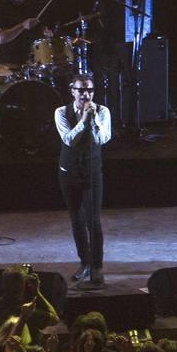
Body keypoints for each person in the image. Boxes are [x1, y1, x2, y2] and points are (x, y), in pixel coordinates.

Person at [55, 74, 111, 288]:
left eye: (89, 90)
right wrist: (83, 121)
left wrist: (93, 119)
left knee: (93, 222)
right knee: (76, 221)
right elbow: (68, 140)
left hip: (91, 173)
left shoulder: (103, 112)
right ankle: (84, 262)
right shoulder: (61, 112)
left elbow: (102, 139)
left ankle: (97, 267)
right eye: (81, 90)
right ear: (72, 91)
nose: (85, 94)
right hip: (68, 173)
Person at [0, 0, 47, 66]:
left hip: (33, 58)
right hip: (11, 61)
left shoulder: (31, 4)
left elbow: (40, 29)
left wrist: (46, 33)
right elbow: (2, 38)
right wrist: (22, 25)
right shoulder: (2, 8)